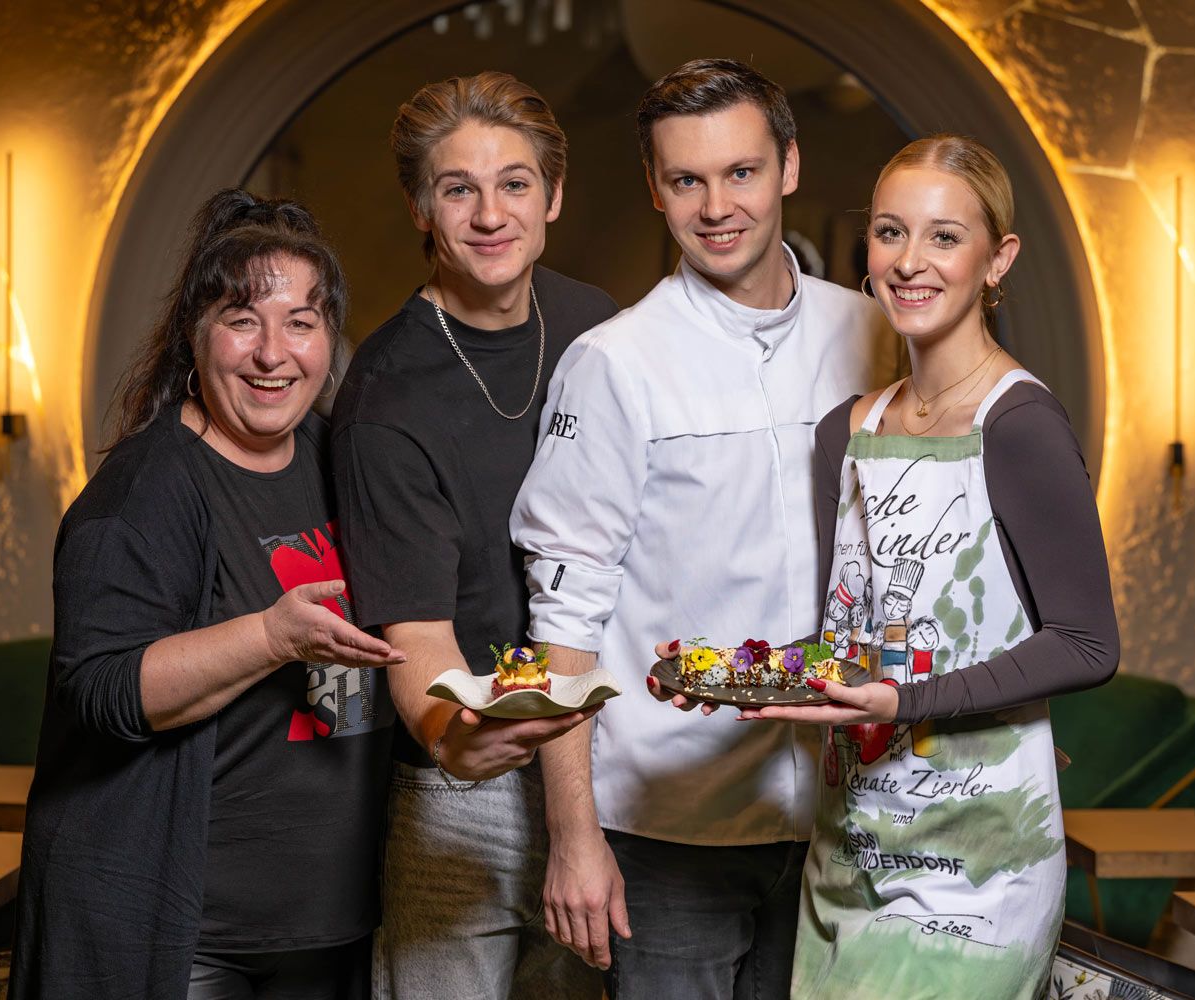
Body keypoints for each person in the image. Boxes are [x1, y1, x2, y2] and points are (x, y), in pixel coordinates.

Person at [664, 134, 1120, 998]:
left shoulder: (1019, 424)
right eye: (889, 233)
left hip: (980, 870)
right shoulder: (848, 429)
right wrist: (741, 676)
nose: (910, 263)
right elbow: (853, 640)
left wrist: (905, 702)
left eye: (945, 237)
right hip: (853, 855)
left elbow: (1087, 644)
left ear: (998, 259)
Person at [509, 59, 890, 998]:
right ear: (655, 189)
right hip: (669, 833)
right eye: (687, 179)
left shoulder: (878, 335)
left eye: (741, 172)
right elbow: (564, 620)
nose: (717, 205)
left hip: (852, 819)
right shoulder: (615, 364)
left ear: (789, 167)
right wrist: (573, 836)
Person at [10, 190, 403, 1000]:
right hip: (187, 939)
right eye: (242, 319)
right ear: (197, 335)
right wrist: (270, 637)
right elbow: (104, 688)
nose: (273, 353)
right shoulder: (145, 492)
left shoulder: (343, 460)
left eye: (301, 322)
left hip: (328, 924)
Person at [330, 72, 616, 1000]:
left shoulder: (602, 334)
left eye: (516, 183)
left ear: (555, 197)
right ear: (422, 206)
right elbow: (413, 633)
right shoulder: (385, 395)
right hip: (466, 794)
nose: (491, 213)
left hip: (614, 767)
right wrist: (452, 735)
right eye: (459, 188)